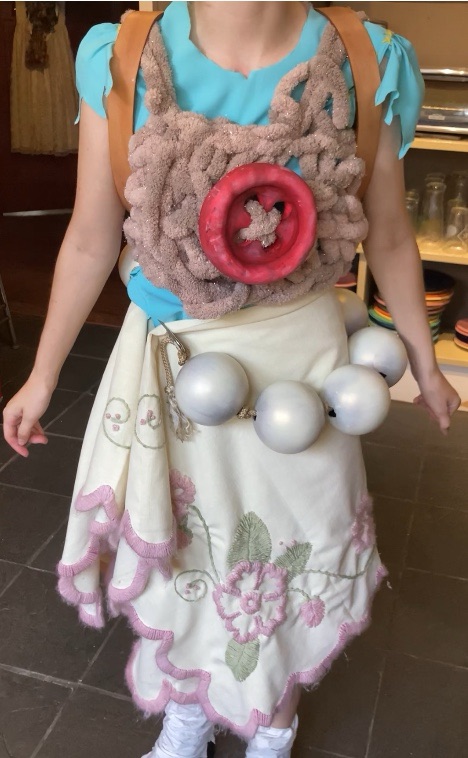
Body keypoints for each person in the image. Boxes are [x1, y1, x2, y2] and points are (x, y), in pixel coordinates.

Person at [3, 3, 461, 757]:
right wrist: (42, 375)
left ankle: (272, 717)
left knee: (293, 546)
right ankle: (193, 701)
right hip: (174, 368)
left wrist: (425, 362)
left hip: (300, 371)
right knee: (188, 549)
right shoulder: (120, 58)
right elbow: (91, 236)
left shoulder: (367, 59)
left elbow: (387, 233)